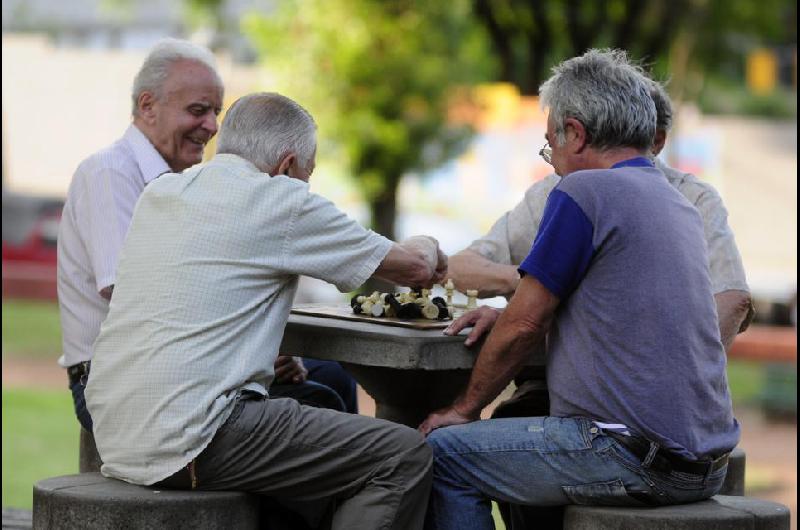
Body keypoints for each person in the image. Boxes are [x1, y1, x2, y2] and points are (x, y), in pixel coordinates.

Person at [86, 92, 446, 530]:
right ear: (288, 165)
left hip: (116, 432)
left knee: (320, 398)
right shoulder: (282, 200)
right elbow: (414, 267)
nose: (307, 185)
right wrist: (430, 246)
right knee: (402, 455)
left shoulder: (161, 192)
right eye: (308, 175)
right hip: (193, 439)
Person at [419, 49, 740, 530]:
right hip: (705, 463)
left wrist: (463, 409)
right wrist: (515, 312)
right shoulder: (679, 202)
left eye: (551, 145)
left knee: (443, 453)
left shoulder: (583, 191)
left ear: (576, 132)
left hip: (627, 454)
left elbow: (526, 322)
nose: (553, 162)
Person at [57, 39, 352, 434]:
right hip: (118, 385)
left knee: (332, 375)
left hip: (180, 372)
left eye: (216, 112)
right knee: (322, 400)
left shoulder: (186, 182)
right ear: (148, 106)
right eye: (198, 111)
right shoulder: (109, 172)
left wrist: (260, 354)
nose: (213, 127)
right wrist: (252, 354)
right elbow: (131, 291)